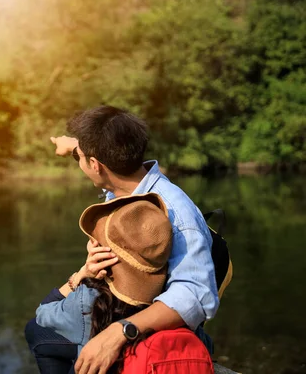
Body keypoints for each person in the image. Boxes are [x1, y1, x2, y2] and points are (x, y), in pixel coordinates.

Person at [25, 105, 218, 374]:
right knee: (37, 330)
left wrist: (119, 332)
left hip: (149, 332)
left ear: (95, 165)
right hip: (114, 308)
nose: (79, 161)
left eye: (80, 157)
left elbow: (197, 297)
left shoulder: (177, 214)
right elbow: (89, 149)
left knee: (44, 332)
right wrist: (69, 145)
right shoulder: (123, 180)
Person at [34, 193, 214, 374]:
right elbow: (207, 344)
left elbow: (42, 315)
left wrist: (81, 275)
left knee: (36, 334)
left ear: (106, 257)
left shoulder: (91, 302)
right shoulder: (169, 306)